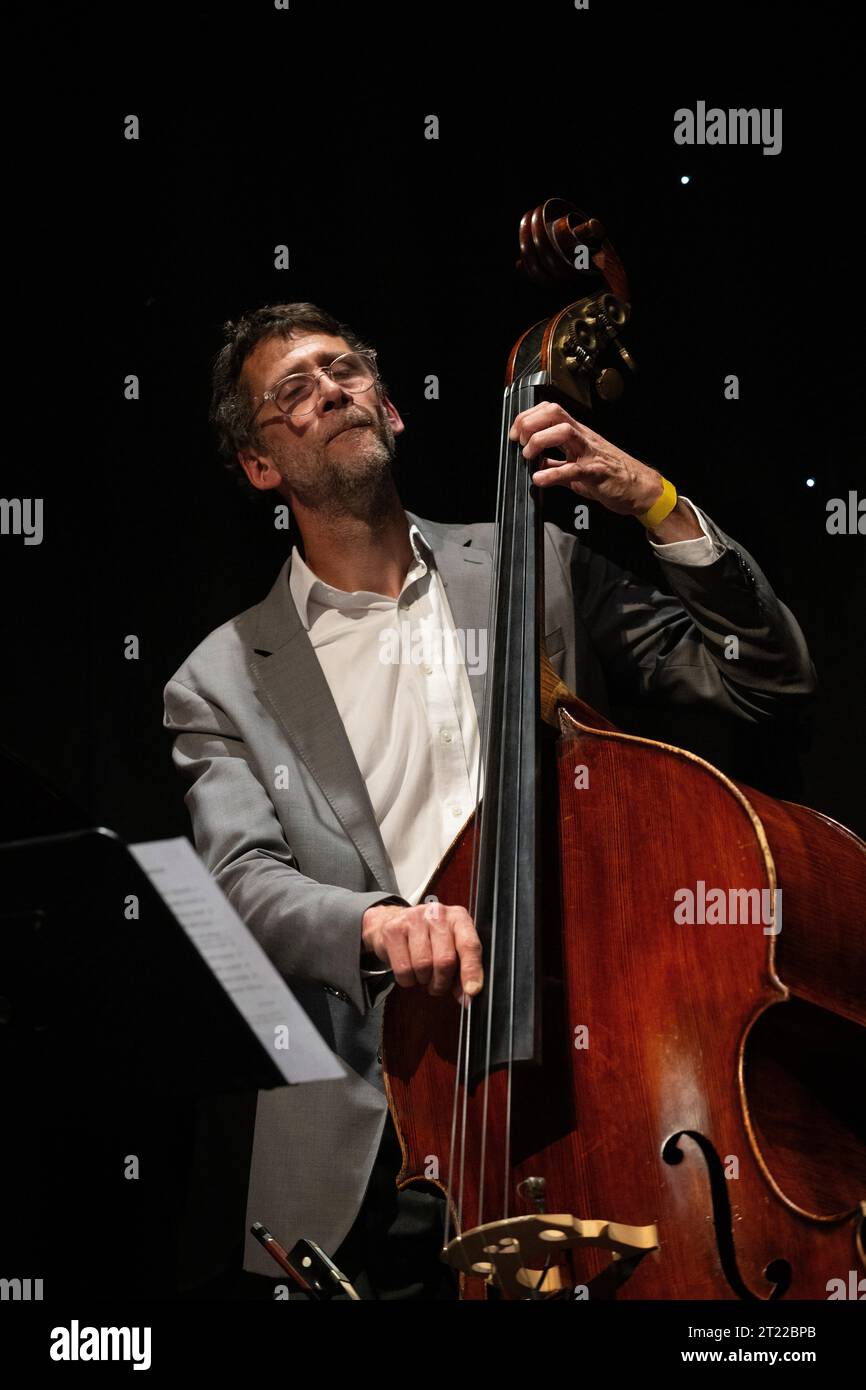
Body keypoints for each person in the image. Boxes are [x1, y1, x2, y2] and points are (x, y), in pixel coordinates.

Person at [163, 301, 815, 1300]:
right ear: (259, 465)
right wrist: (379, 924)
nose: (330, 390)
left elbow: (762, 678)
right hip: (377, 1146)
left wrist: (657, 504)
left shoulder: (535, 565)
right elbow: (242, 883)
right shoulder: (217, 679)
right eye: (292, 391)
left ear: (390, 409)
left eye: (345, 371)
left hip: (605, 1078)